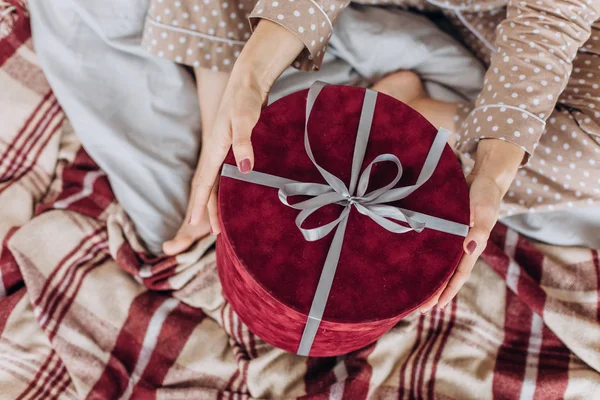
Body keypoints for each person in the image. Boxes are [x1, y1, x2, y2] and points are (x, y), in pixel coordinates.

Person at [30, 0, 600, 314]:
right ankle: (223, 135)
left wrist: (494, 171)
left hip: (511, 25)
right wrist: (249, 76)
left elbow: (549, 24)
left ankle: (410, 111)